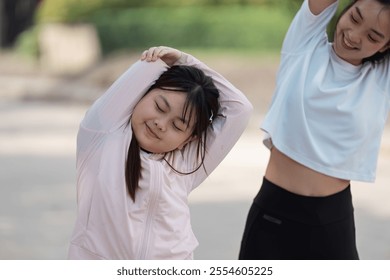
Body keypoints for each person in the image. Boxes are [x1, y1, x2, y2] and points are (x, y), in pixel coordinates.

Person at [67, 46, 252, 259]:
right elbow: (150, 64)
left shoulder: (187, 165)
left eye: (178, 126)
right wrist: (174, 62)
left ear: (189, 139)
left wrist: (187, 60)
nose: (161, 124)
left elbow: (240, 108)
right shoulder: (103, 135)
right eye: (159, 107)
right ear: (141, 94)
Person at [239, 0, 390, 260]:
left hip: (331, 221)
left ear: (386, 46)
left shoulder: (380, 78)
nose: (354, 36)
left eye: (373, 36)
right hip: (273, 213)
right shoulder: (305, 44)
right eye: (354, 18)